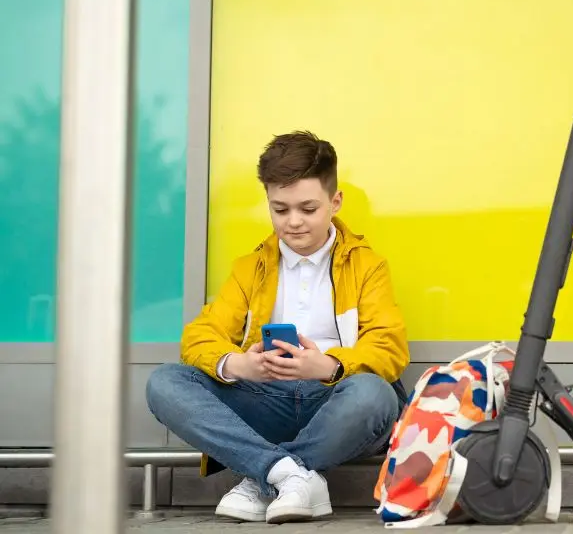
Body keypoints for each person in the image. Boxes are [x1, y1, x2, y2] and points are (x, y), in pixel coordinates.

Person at [146, 130, 410, 524]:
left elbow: (389, 349)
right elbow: (200, 337)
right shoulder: (249, 268)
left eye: (308, 208)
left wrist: (329, 366)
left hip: (335, 399)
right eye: (280, 209)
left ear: (334, 203)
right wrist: (237, 365)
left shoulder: (367, 265)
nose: (294, 221)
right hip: (265, 398)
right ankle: (285, 474)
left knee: (375, 395)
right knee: (165, 382)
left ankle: (261, 480)